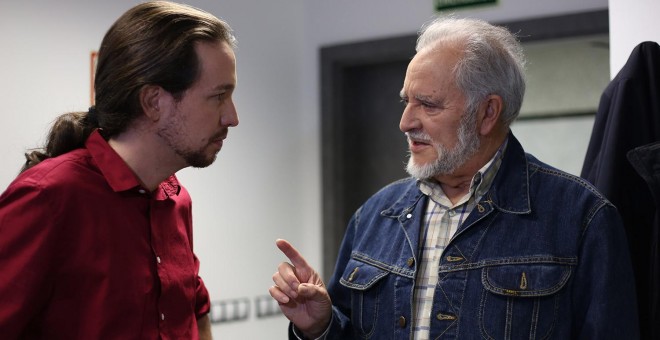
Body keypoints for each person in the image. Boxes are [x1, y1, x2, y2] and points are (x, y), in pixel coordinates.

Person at [270, 17, 640, 339]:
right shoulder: (374, 216)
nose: (405, 122)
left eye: (427, 104)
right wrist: (319, 328)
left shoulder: (582, 219)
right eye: (406, 101)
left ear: (487, 113)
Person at [0, 1, 238, 339]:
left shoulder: (175, 198)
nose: (232, 117)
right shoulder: (48, 197)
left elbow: (195, 312)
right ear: (154, 102)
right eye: (218, 97)